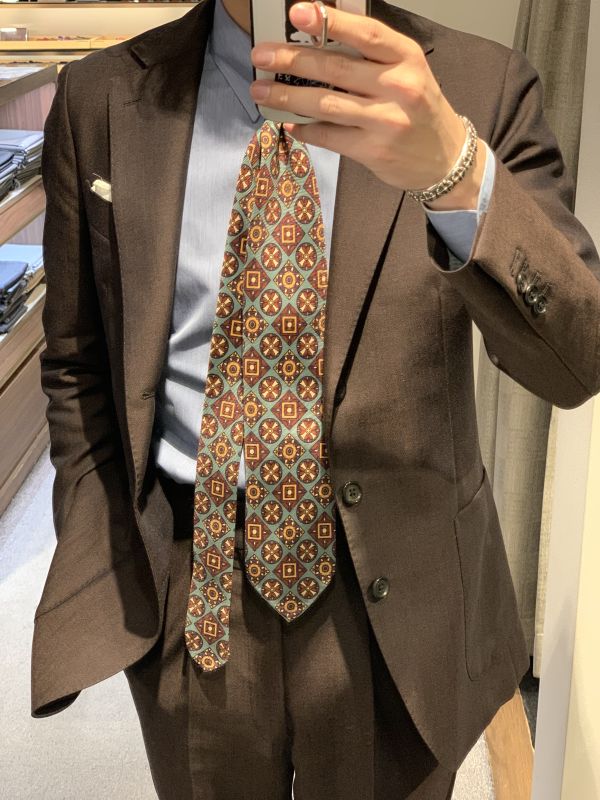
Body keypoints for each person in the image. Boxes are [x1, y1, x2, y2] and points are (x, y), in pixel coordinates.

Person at [31, 0, 600, 798]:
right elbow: (77, 360)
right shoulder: (100, 97)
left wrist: (456, 173)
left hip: (401, 605)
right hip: (191, 592)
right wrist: (112, 552)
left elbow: (577, 363)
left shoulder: (477, 86)